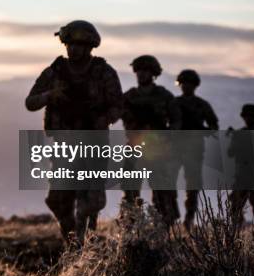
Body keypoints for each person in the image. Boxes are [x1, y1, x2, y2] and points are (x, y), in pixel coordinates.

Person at [25, 20, 123, 244]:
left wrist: (101, 119)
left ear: (89, 47)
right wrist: (51, 95)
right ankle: (73, 244)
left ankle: (85, 245)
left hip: (93, 144)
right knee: (58, 201)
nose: (73, 49)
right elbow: (30, 102)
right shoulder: (55, 72)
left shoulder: (103, 72)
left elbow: (118, 105)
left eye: (79, 44)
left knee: (89, 200)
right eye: (69, 44)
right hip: (64, 145)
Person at [121, 55, 182, 226]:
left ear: (153, 73)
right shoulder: (129, 97)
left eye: (145, 71)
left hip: (158, 149)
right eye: (139, 71)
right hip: (135, 147)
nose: (141, 74)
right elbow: (113, 113)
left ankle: (164, 230)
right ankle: (130, 231)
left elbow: (176, 120)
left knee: (163, 193)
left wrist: (167, 137)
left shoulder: (164, 96)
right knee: (130, 193)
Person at [174, 69, 219, 230]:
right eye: (184, 83)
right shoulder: (174, 103)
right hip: (175, 149)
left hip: (194, 149)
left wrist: (201, 129)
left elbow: (213, 127)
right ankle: (171, 217)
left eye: (189, 83)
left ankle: (189, 219)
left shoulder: (202, 105)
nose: (186, 86)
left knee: (192, 185)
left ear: (195, 85)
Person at [228, 103, 254, 226]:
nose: (247, 119)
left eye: (250, 116)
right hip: (241, 176)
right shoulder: (240, 133)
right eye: (246, 116)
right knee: (235, 207)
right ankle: (236, 234)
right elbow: (231, 153)